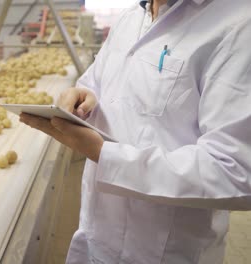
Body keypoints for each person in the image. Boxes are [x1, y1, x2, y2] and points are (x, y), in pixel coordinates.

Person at [20, 0, 251, 263]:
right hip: (96, 236)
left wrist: (103, 154)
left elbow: (234, 170)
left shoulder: (237, 24)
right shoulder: (130, 18)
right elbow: (96, 82)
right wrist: (83, 96)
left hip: (162, 251)